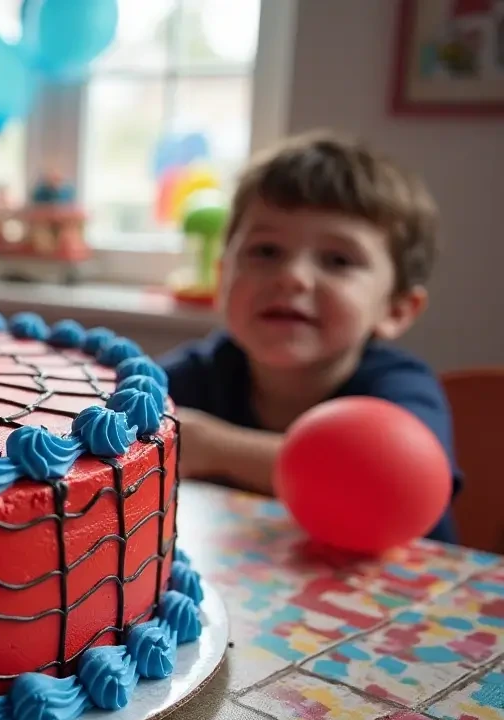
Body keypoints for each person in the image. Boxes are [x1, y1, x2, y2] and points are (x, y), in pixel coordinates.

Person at [160, 131, 459, 543]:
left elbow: (390, 484)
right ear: (222, 277)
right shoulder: (193, 376)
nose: (292, 277)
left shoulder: (400, 388)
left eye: (338, 260)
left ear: (396, 309)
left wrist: (213, 446)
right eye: (266, 252)